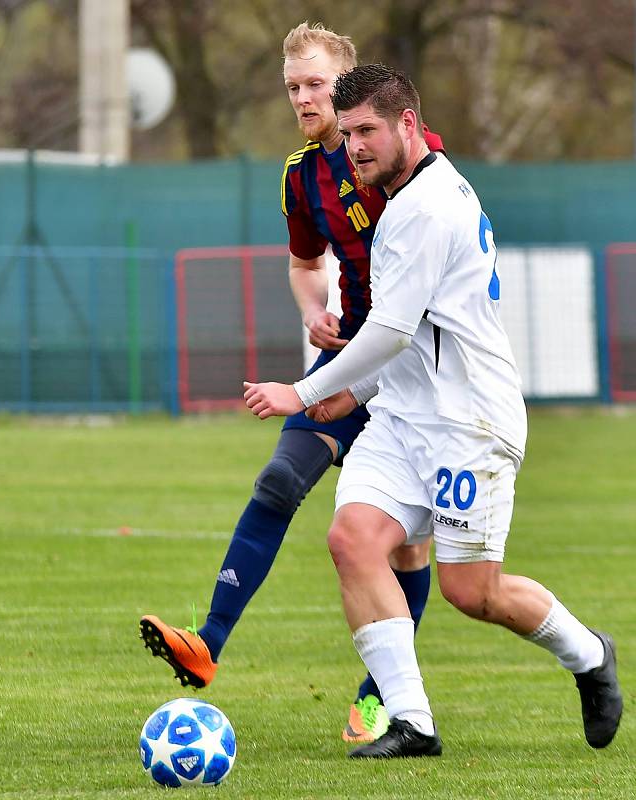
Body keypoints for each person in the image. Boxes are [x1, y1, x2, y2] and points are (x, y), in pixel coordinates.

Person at [243, 63, 623, 758]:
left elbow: (387, 330)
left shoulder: (424, 208)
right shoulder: (401, 196)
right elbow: (405, 336)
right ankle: (412, 722)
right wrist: (352, 394)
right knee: (351, 540)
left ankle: (589, 655)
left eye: (367, 132)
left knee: (472, 592)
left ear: (407, 126)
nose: (353, 146)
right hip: (402, 416)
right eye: (347, 131)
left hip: (466, 425)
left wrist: (301, 393)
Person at [140, 24, 446, 744]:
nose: (305, 98)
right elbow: (305, 263)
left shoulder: (409, 161)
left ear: (349, 90)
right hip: (347, 354)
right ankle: (207, 642)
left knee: (403, 549)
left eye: (316, 85)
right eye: (294, 88)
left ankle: (380, 698)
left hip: (415, 370)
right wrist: (314, 311)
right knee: (280, 481)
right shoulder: (301, 174)